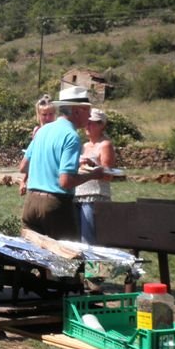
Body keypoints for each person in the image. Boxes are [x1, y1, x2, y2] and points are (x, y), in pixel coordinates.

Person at [19, 86, 104, 241]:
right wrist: (93, 175)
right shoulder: (71, 136)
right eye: (87, 110)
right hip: (55, 204)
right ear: (76, 111)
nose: (89, 115)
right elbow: (65, 181)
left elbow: (23, 166)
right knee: (67, 254)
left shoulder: (42, 131)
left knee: (33, 252)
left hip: (31, 202)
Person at [74, 109, 116, 244]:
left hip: (95, 196)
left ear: (101, 125)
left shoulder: (105, 145)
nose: (87, 126)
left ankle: (93, 260)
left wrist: (92, 165)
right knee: (77, 240)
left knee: (89, 240)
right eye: (86, 122)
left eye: (91, 123)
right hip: (77, 195)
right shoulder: (84, 145)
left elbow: (108, 175)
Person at [20, 95, 56, 196]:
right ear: (38, 115)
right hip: (36, 179)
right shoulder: (37, 131)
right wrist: (24, 181)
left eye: (51, 114)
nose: (48, 118)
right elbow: (33, 158)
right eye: (44, 115)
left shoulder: (57, 131)